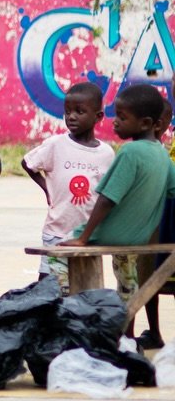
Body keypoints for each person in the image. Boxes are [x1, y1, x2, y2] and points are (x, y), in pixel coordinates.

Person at [63, 85, 175, 308]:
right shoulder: (162, 154)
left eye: (122, 118)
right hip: (141, 237)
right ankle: (126, 302)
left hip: (114, 235)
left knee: (58, 249)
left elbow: (107, 199)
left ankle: (72, 302)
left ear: (145, 123)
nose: (115, 122)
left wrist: (84, 237)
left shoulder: (130, 152)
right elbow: (171, 191)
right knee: (125, 270)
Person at [22, 81, 113, 293]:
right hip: (57, 232)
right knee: (49, 288)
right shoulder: (56, 144)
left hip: (88, 236)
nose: (71, 117)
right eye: (67, 111)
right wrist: (47, 189)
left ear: (98, 117)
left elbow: (107, 193)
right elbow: (28, 163)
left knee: (86, 289)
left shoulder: (106, 154)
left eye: (79, 112)